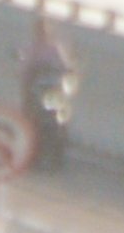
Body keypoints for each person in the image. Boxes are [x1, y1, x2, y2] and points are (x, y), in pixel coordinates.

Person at [18, 10, 81, 171]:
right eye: (39, 30)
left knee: (55, 127)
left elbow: (66, 69)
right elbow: (24, 74)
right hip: (35, 94)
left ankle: (55, 159)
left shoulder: (54, 49)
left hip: (52, 94)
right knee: (32, 125)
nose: (42, 33)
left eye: (44, 30)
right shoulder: (30, 49)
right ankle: (33, 158)